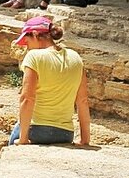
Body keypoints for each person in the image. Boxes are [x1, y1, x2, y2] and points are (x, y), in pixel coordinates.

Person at [9, 15, 90, 146]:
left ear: (35, 34)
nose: (27, 46)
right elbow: (83, 100)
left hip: (36, 130)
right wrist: (85, 140)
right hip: (65, 133)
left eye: (27, 40)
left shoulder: (34, 57)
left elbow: (27, 99)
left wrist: (23, 139)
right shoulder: (75, 57)